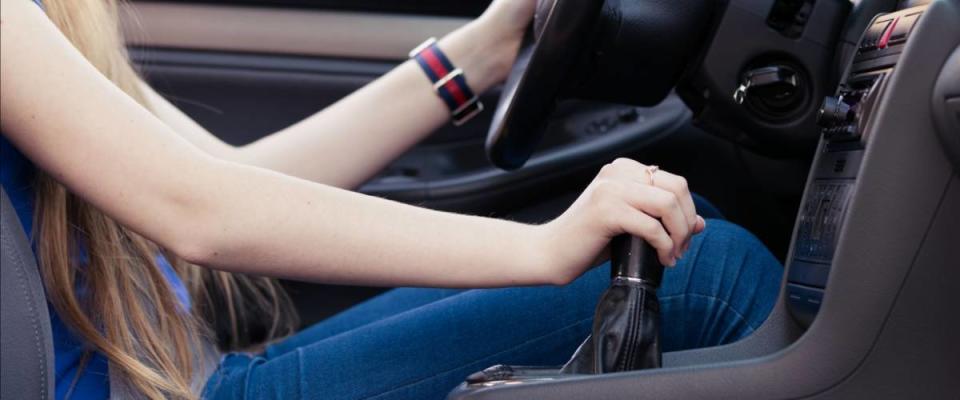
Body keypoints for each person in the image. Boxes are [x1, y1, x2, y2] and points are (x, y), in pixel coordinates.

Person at [0, 0, 783, 399]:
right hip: (194, 390)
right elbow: (198, 212)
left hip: (197, 374)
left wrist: (480, 49)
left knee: (696, 243)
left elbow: (230, 169)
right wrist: (540, 250)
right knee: (709, 275)